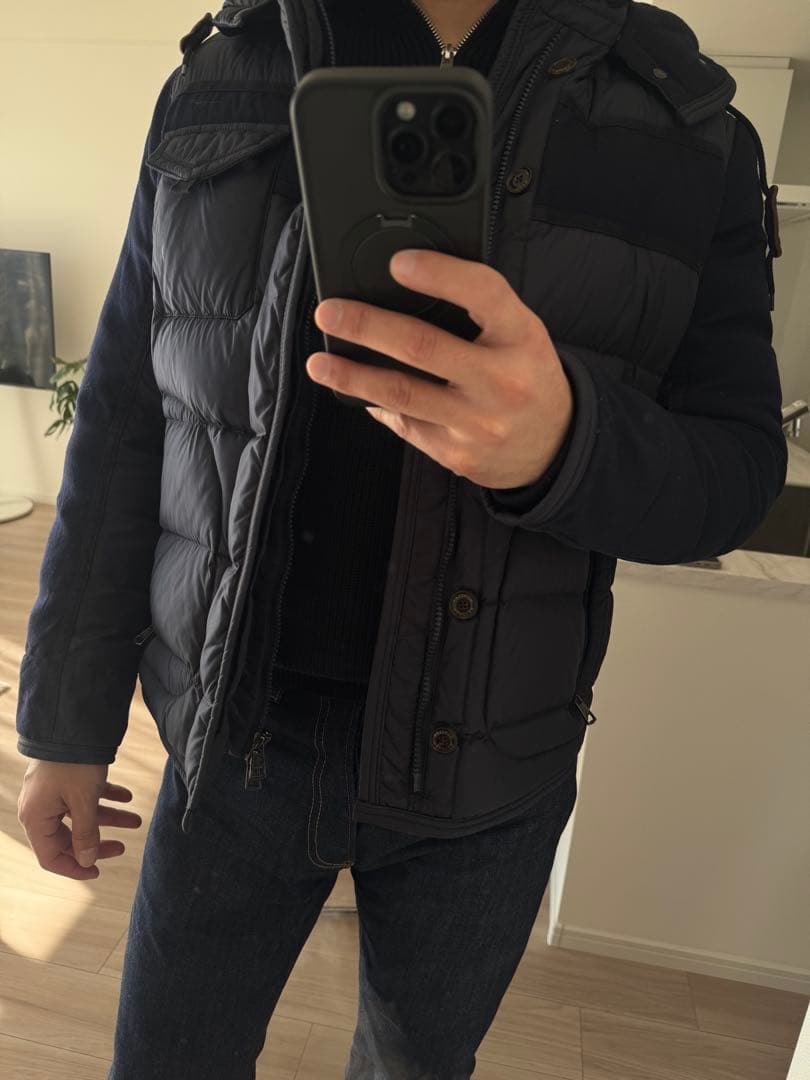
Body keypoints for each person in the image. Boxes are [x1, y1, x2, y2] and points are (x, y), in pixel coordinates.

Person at [15, 1, 787, 1077]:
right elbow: (123, 422)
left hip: (488, 776)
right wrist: (66, 721)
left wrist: (567, 444)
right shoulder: (220, 75)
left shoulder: (690, 124)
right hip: (228, 745)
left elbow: (739, 475)